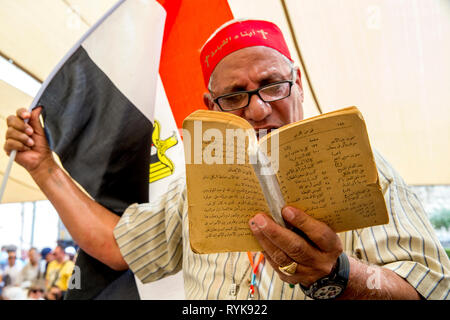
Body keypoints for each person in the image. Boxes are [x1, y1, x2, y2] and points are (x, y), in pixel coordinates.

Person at [3, 19, 449, 300]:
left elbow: (430, 289)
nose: (257, 110)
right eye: (234, 96)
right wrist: (43, 168)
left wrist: (338, 275)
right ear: (210, 105)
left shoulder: (365, 167)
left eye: (272, 85)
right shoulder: (193, 188)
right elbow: (119, 247)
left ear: (297, 83)